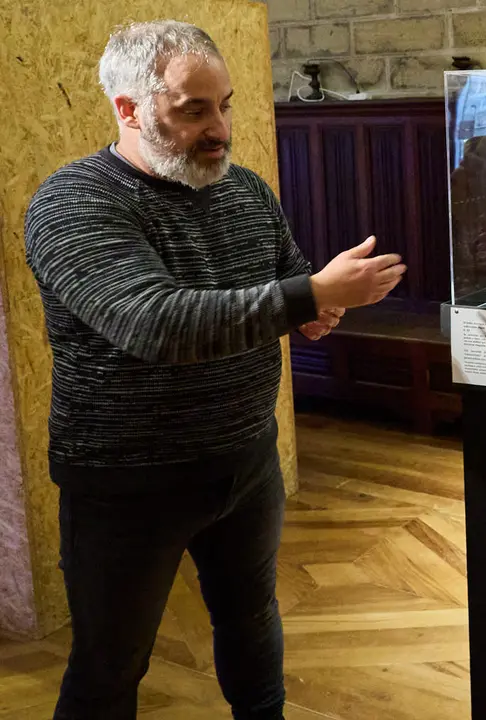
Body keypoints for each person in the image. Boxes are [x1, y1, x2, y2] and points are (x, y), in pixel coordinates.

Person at [22, 20, 406, 720]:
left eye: (224, 104)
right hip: (127, 481)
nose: (220, 128)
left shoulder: (244, 190)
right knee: (110, 666)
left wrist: (315, 309)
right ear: (129, 109)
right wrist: (312, 295)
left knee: (251, 621)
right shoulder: (73, 202)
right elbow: (153, 322)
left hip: (245, 459)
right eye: (193, 110)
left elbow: (286, 282)